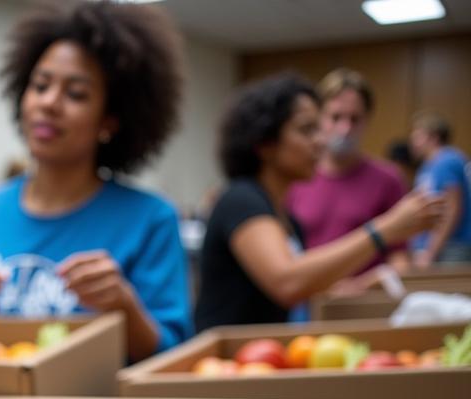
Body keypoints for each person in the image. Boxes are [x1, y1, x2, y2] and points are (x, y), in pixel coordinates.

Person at [0, 0, 192, 363]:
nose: (49, 102)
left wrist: (124, 307)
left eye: (76, 94)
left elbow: (173, 357)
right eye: (40, 85)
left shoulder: (151, 218)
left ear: (110, 122)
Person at [194, 73, 443, 332]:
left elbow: (303, 281)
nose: (321, 141)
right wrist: (384, 229)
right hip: (219, 364)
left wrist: (355, 286)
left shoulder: (287, 220)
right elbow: (287, 282)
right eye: (306, 130)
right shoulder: (241, 200)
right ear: (265, 143)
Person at [287, 69, 409, 279]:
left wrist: (362, 287)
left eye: (355, 119)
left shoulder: (388, 180)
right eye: (335, 117)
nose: (345, 128)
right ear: (318, 118)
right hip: (306, 302)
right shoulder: (294, 178)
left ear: (367, 120)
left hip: (362, 305)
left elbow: (400, 259)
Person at [408, 112, 471, 265]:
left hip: (450, 248)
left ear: (434, 137)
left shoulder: (447, 160)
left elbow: (452, 209)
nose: (413, 141)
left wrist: (430, 252)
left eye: (418, 136)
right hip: (434, 248)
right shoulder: (427, 166)